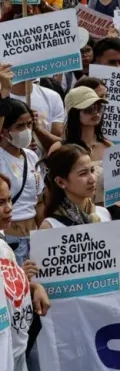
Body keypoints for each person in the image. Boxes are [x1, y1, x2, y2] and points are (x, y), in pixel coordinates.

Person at [33, 144, 120, 276]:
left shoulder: (103, 214)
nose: (92, 179)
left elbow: (115, 273)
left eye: (92, 170)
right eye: (83, 173)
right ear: (60, 182)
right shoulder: (49, 227)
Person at [0, 171, 50, 371]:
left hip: (17, 352)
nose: (9, 208)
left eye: (10, 199)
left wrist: (33, 287)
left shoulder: (3, 247)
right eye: (0, 202)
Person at [48, 87, 112, 206]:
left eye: (98, 107)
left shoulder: (108, 146)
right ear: (74, 113)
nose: (95, 113)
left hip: (107, 214)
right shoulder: (59, 149)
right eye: (88, 109)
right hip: (72, 215)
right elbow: (52, 191)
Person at [0, 98, 44, 266]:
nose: (26, 130)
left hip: (34, 239)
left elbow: (39, 201)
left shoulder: (31, 156)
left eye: (29, 124)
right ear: (4, 132)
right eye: (19, 126)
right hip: (11, 241)